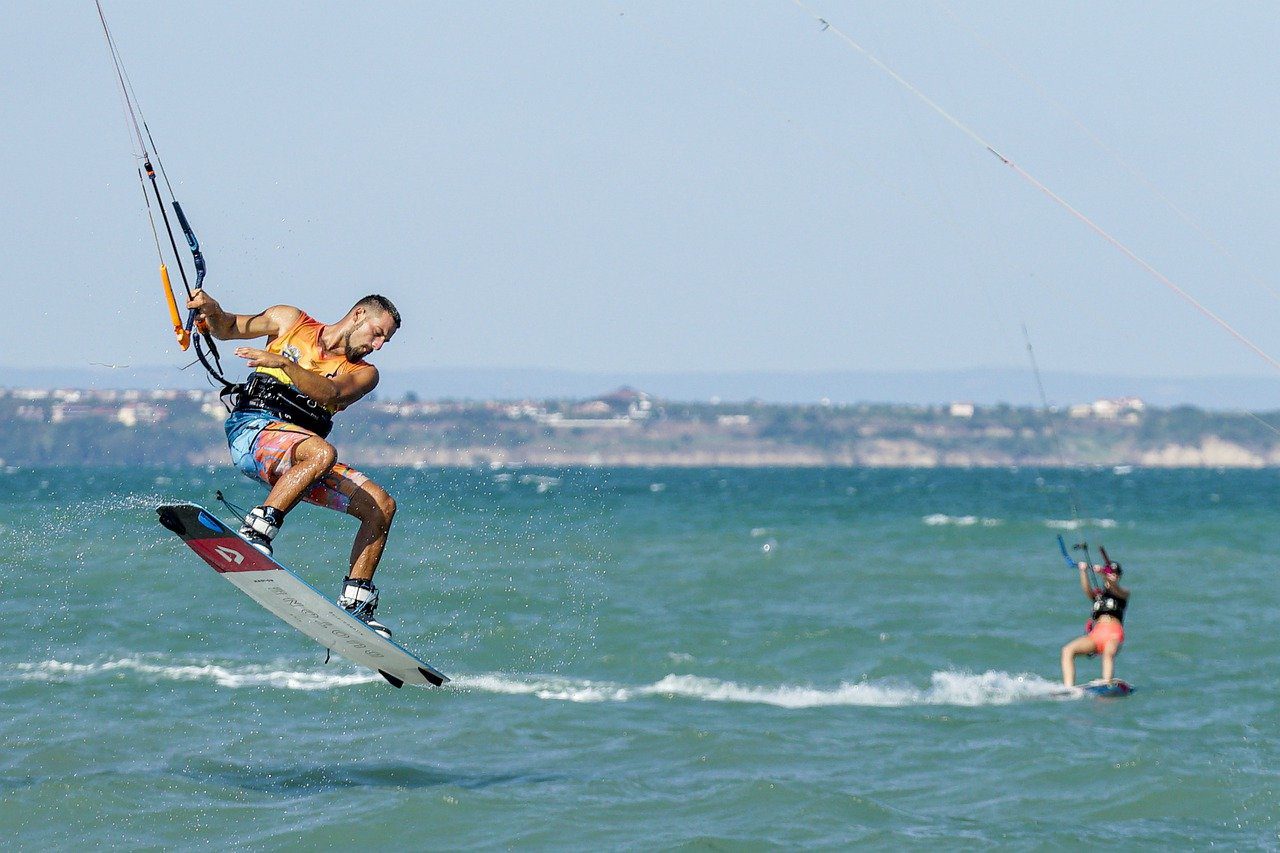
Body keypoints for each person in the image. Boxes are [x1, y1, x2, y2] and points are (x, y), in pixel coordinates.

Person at [186, 291, 402, 639]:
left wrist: (285, 365)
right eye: (377, 334)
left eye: (384, 342)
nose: (377, 346)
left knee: (381, 506)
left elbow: (331, 393)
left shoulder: (364, 374)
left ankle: (356, 603)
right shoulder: (290, 321)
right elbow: (227, 327)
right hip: (253, 432)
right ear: (358, 315)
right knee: (321, 453)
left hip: (302, 459)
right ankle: (256, 532)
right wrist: (212, 310)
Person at [1060, 558, 1129, 687]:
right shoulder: (1098, 596)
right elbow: (1087, 589)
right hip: (1097, 634)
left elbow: (1114, 586)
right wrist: (1083, 571)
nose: (1113, 576)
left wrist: (1103, 573)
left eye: (1115, 574)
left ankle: (1107, 682)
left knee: (1108, 652)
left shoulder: (1123, 593)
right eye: (1111, 573)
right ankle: (1068, 687)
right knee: (1067, 650)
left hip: (1113, 633)